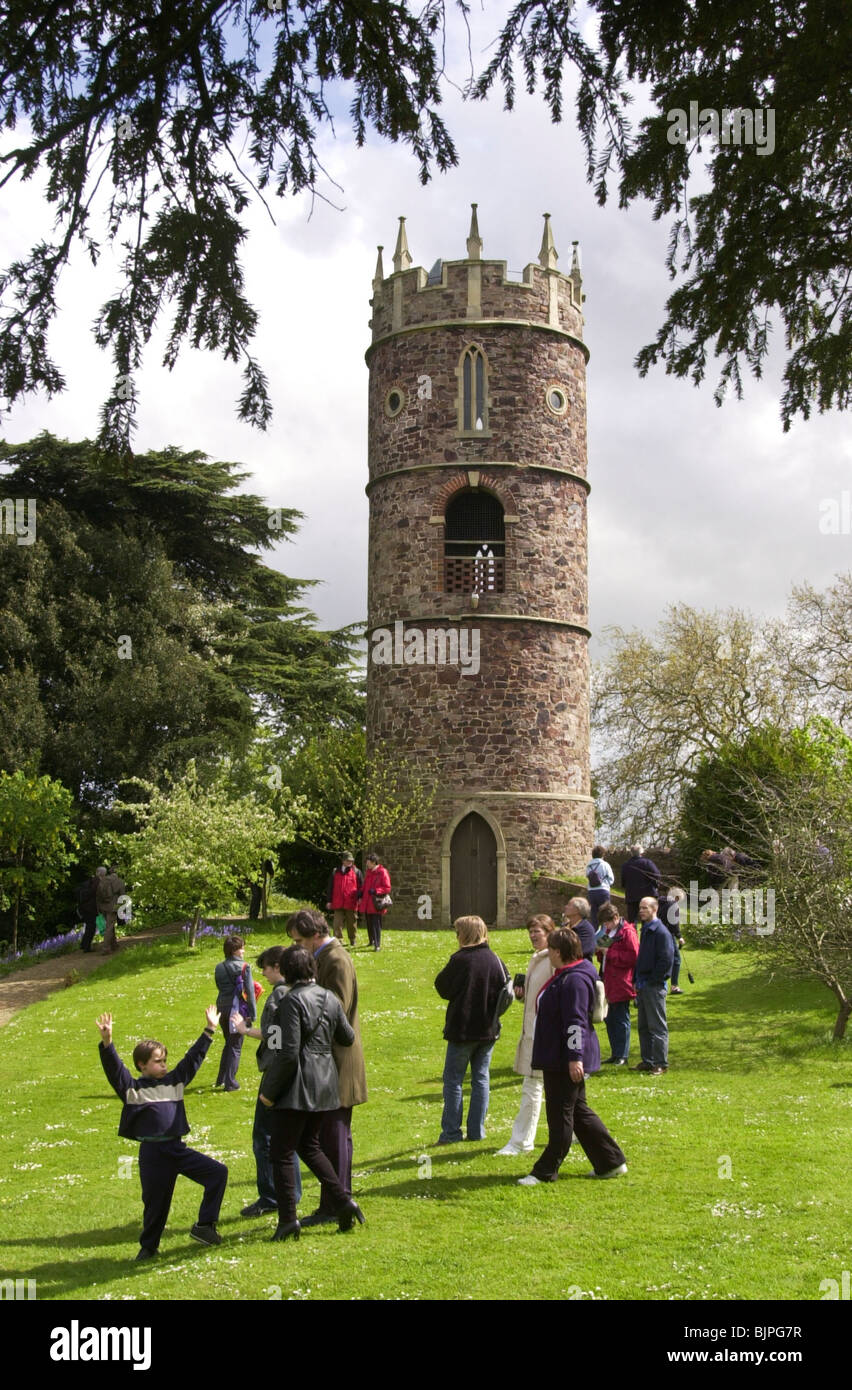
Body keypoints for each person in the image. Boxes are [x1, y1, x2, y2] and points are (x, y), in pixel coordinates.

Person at [96, 1005, 228, 1259]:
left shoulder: (175, 1082)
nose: (164, 1065)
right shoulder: (132, 1090)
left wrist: (209, 1030)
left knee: (218, 1173)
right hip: (153, 1153)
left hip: (176, 1149)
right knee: (156, 1204)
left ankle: (205, 1226)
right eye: (158, 1062)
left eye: (165, 1060)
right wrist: (107, 1041)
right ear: (142, 1065)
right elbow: (115, 1070)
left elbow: (193, 1060)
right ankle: (148, 1247)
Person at [259, 946, 362, 1241]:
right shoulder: (330, 997)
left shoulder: (291, 1001)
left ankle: (288, 1220)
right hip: (326, 1083)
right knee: (310, 1147)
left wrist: (269, 1092)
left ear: (288, 971)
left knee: (280, 1153)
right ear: (313, 970)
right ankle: (343, 1201)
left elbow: (287, 1053)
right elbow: (348, 1036)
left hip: (297, 1085)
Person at [517, 927, 627, 1185]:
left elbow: (575, 1021)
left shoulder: (574, 979)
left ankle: (545, 1171)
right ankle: (611, 1161)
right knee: (579, 1112)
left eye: (550, 951)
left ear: (558, 952)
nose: (548, 956)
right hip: (561, 1056)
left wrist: (574, 1057)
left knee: (560, 1114)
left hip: (563, 1059)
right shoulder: (571, 973)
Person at [287, 909, 367, 1226]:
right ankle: (331, 1203)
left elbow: (335, 1009)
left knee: (334, 1134)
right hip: (327, 1059)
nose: (298, 948)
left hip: (338, 1059)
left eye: (299, 941)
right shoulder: (325, 956)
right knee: (325, 1135)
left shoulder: (336, 959)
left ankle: (339, 1203)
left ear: (315, 935)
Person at [230, 945, 302, 1218]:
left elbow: (274, 1039)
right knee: (288, 1137)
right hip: (296, 1073)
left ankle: (271, 1195)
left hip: (276, 1073)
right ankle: (291, 1192)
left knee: (265, 1136)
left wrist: (244, 1030)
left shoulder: (278, 997)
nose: (265, 974)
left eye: (266, 969)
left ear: (277, 967)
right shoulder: (301, 991)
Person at [434, 915, 509, 1144]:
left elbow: (442, 987)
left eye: (458, 932)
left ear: (465, 934)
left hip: (463, 1029)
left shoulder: (460, 960)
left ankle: (451, 1133)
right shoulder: (495, 959)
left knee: (454, 1080)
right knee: (481, 1078)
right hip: (488, 1029)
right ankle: (476, 1131)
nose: (456, 937)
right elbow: (505, 990)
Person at [494, 915, 554, 1156]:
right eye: (530, 932)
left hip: (544, 1033)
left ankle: (521, 1141)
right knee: (548, 1086)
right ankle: (575, 1132)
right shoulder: (537, 958)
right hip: (533, 1030)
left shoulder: (552, 959)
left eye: (537, 931)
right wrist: (521, 994)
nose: (532, 936)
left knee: (535, 1086)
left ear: (549, 932)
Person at [633, 896, 674, 1075]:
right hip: (642, 983)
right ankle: (647, 1060)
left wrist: (653, 981)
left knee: (657, 1026)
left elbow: (666, 960)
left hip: (654, 985)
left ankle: (660, 1063)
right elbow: (642, 957)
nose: (641, 911)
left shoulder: (660, 932)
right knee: (643, 1026)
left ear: (654, 909)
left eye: (645, 908)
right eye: (640, 908)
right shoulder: (646, 930)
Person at [213, 933, 256, 1092]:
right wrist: (252, 1014)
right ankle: (230, 1083)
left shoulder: (219, 967)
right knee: (236, 1045)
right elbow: (250, 992)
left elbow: (219, 986)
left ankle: (221, 1078)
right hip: (237, 1009)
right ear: (234, 950)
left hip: (221, 1007)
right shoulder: (244, 966)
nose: (243, 951)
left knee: (228, 1043)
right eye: (241, 948)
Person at [596, 903, 639, 1064]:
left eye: (607, 922)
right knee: (610, 1018)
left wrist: (610, 953)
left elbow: (634, 957)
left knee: (621, 1018)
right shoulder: (609, 931)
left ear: (615, 918)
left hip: (621, 981)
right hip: (608, 979)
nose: (605, 926)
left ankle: (622, 1055)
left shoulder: (627, 932)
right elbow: (601, 952)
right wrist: (600, 952)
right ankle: (615, 1053)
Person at [326, 852, 363, 947]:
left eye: (351, 860)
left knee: (352, 923)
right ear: (343, 861)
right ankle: (338, 941)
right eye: (348, 860)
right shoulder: (335, 871)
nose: (350, 862)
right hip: (338, 902)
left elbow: (361, 887)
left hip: (351, 902)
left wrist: (359, 897)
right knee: (337, 923)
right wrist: (329, 901)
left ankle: (352, 939)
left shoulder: (357, 871)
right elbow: (330, 887)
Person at [358, 851, 391, 951]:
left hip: (376, 902)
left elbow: (387, 888)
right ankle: (371, 941)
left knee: (376, 924)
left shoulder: (382, 872)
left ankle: (377, 945)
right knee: (369, 923)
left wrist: (376, 891)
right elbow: (365, 886)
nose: (367, 864)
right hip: (368, 902)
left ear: (374, 862)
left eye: (368, 862)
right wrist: (360, 892)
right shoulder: (369, 873)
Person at [657, 885, 686, 994]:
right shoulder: (673, 905)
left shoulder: (659, 902)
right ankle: (674, 986)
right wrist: (680, 937)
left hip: (657, 932)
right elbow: (674, 924)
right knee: (676, 959)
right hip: (668, 934)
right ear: (677, 898)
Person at [620, 846, 661, 923]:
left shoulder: (625, 865)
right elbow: (657, 876)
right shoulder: (647, 863)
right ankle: (646, 934)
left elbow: (623, 881)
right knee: (647, 919)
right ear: (641, 852)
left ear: (631, 853)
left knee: (632, 920)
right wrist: (655, 885)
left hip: (632, 895)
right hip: (647, 894)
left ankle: (633, 935)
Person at [95, 864, 125, 953]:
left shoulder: (104, 880)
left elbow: (97, 894)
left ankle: (114, 944)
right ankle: (106, 948)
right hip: (113, 907)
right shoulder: (120, 881)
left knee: (110, 926)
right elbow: (122, 896)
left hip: (103, 906)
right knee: (109, 927)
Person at [585, 845, 614, 928]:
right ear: (602, 854)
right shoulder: (605, 865)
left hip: (591, 891)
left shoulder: (589, 866)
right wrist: (605, 883)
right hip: (603, 891)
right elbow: (611, 879)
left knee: (594, 915)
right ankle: (605, 934)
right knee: (606, 913)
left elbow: (588, 876)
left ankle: (594, 935)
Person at [77, 870, 99, 953]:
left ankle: (84, 944)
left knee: (89, 926)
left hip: (83, 908)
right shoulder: (95, 882)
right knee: (91, 927)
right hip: (90, 909)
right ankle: (86, 947)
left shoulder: (86, 884)